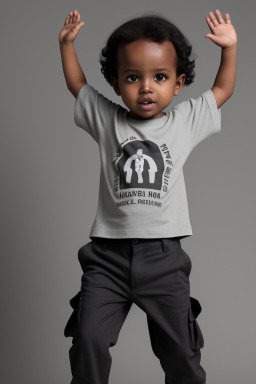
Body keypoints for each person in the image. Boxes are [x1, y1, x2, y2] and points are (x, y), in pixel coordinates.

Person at [59, 9, 237, 384]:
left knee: (180, 354)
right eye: (132, 77)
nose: (145, 87)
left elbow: (222, 90)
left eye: (159, 77)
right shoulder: (107, 119)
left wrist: (230, 50)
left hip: (163, 260)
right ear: (115, 82)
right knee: (87, 340)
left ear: (178, 83)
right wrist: (67, 46)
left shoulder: (184, 121)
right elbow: (77, 84)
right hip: (107, 259)